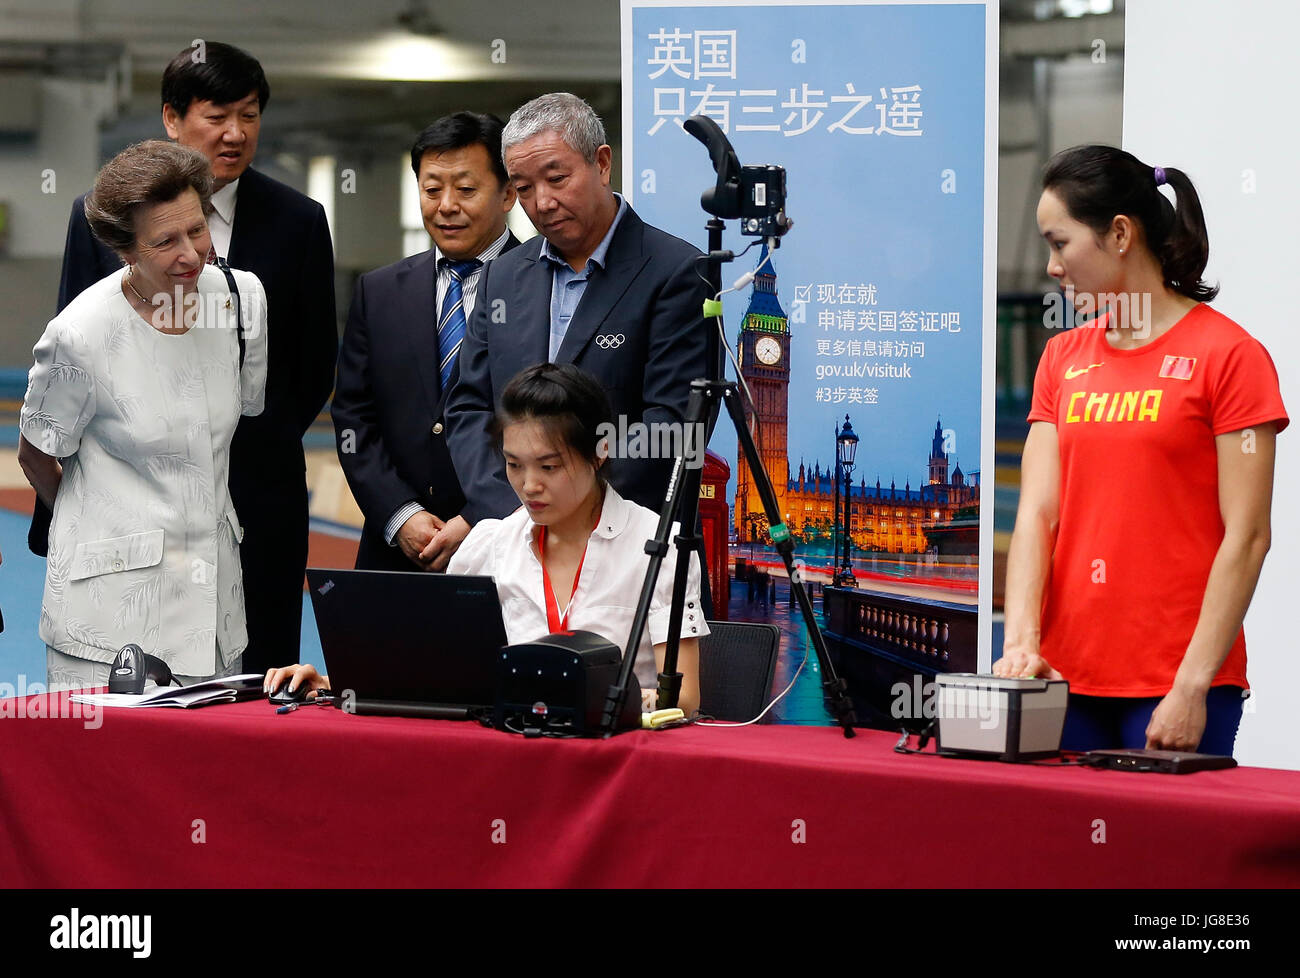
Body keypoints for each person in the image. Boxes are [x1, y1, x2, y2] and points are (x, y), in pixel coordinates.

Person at [41, 40, 337, 675]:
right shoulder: (101, 216)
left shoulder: (300, 220)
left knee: (255, 686)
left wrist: (232, 448)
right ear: (172, 118)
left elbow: (312, 363)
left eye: (250, 115)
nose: (235, 133)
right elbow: (70, 364)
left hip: (256, 501)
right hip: (131, 510)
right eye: (217, 114)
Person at [996, 145, 1288, 756]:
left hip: (1174, 686)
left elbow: (1248, 535)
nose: (1051, 266)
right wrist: (1022, 643)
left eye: (1060, 243)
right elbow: (1036, 516)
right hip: (1060, 681)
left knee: (1163, 855)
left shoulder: (1230, 357)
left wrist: (1193, 684)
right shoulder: (1061, 359)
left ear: (1120, 234)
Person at [267, 364, 705, 716]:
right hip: (502, 753)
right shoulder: (489, 545)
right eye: (514, 465)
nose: (529, 485)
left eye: (549, 467)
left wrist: (627, 700)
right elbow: (429, 672)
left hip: (614, 760)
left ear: (599, 451)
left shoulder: (657, 545)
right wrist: (332, 684)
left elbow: (683, 698)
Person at [18, 140, 268, 689]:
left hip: (216, 603)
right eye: (165, 241)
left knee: (206, 769)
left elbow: (243, 413)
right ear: (124, 249)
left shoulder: (240, 300)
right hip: (107, 617)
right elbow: (36, 452)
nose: (191, 253)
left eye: (197, 229)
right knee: (104, 772)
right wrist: (97, 518)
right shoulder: (78, 335)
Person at [446, 92, 713, 535]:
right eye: (525, 188)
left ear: (602, 163)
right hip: (514, 536)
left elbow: (673, 423)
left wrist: (572, 505)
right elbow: (469, 407)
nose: (543, 203)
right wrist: (512, 509)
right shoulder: (502, 277)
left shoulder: (677, 272)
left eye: (557, 178)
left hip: (626, 540)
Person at [332, 112, 519, 573]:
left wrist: (478, 518)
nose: (446, 205)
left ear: (509, 193)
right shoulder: (379, 292)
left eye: (467, 190)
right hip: (395, 551)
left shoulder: (544, 285)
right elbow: (354, 417)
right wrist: (401, 515)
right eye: (432, 189)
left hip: (510, 547)